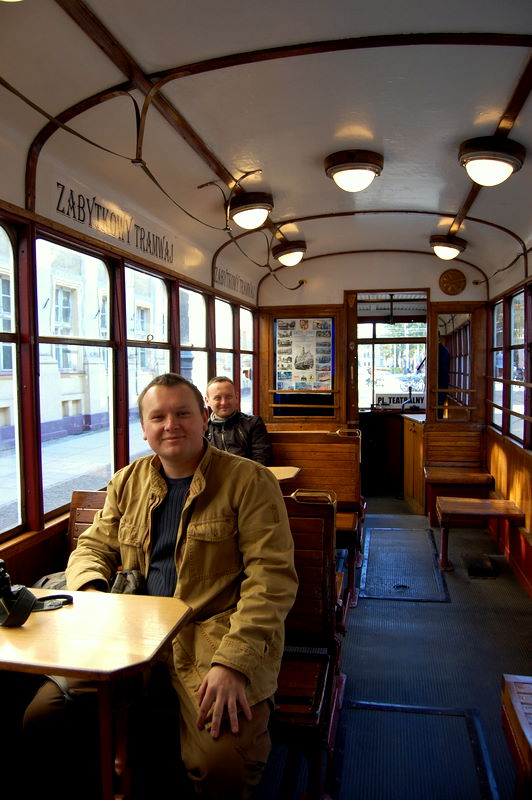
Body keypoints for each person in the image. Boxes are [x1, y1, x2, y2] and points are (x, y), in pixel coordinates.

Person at [23, 373, 298, 800]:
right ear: (144, 428)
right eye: (158, 417)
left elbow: (272, 580)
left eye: (183, 413)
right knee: (44, 716)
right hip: (129, 634)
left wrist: (235, 663)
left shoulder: (249, 481)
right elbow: (92, 547)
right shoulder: (127, 482)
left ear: (204, 418)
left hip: (213, 634)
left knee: (223, 767)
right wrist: (92, 596)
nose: (171, 425)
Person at [205, 376, 272, 465]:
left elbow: (262, 461)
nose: (224, 402)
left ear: (236, 397)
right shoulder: (202, 429)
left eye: (228, 397)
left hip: (247, 473)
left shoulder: (253, 423)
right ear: (207, 401)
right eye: (217, 398)